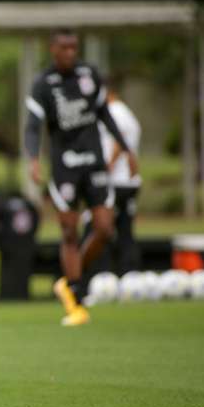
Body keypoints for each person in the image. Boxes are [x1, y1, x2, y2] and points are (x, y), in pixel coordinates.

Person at [25, 29, 138, 326]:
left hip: (94, 164)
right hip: (65, 166)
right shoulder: (43, 84)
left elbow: (105, 114)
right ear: (52, 49)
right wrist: (33, 159)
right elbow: (33, 126)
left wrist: (126, 150)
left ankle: (72, 280)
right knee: (69, 231)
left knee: (103, 227)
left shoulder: (89, 75)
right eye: (64, 48)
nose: (70, 53)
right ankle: (75, 297)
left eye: (74, 48)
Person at [88, 82, 143, 275]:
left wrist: (107, 168)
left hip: (114, 181)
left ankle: (99, 275)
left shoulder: (115, 112)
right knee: (125, 230)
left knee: (96, 227)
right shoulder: (127, 112)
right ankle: (128, 274)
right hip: (128, 181)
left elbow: (120, 141)